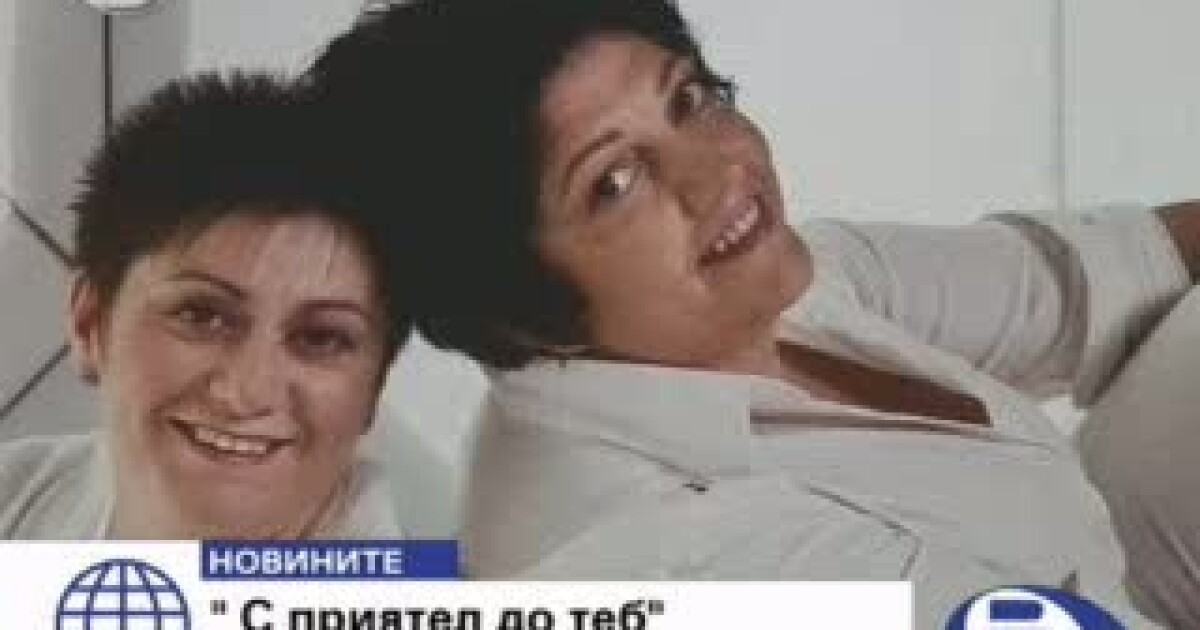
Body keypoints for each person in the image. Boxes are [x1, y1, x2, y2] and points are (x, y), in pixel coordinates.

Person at [311, 0, 1197, 626]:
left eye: (687, 99)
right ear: (516, 310)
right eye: (614, 182)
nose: (715, 173)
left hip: (1094, 569)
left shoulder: (753, 290)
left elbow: (1075, 279)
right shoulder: (661, 559)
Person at [0, 71, 408, 539]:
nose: (247, 393)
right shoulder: (18, 489)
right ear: (89, 322)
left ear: (374, 389)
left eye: (320, 339)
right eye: (202, 316)